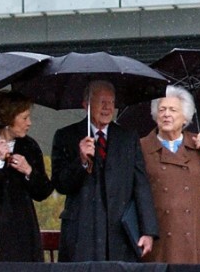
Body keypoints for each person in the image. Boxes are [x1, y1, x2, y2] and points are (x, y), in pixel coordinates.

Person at [51, 80, 159, 262]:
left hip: (120, 234)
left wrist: (148, 230)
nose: (107, 108)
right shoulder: (66, 136)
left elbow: (140, 185)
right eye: (101, 102)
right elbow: (60, 184)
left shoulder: (128, 138)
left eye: (111, 102)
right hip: (82, 234)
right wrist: (82, 161)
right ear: (86, 105)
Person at [140, 85, 200, 263]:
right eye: (162, 109)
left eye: (173, 110)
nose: (166, 114)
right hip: (159, 241)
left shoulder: (199, 146)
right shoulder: (141, 148)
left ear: (185, 118)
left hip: (193, 243)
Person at [0, 91, 53, 272]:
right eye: (24, 118)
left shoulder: (29, 146)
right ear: (8, 118)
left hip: (24, 231)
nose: (29, 123)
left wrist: (28, 170)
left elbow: (43, 191)